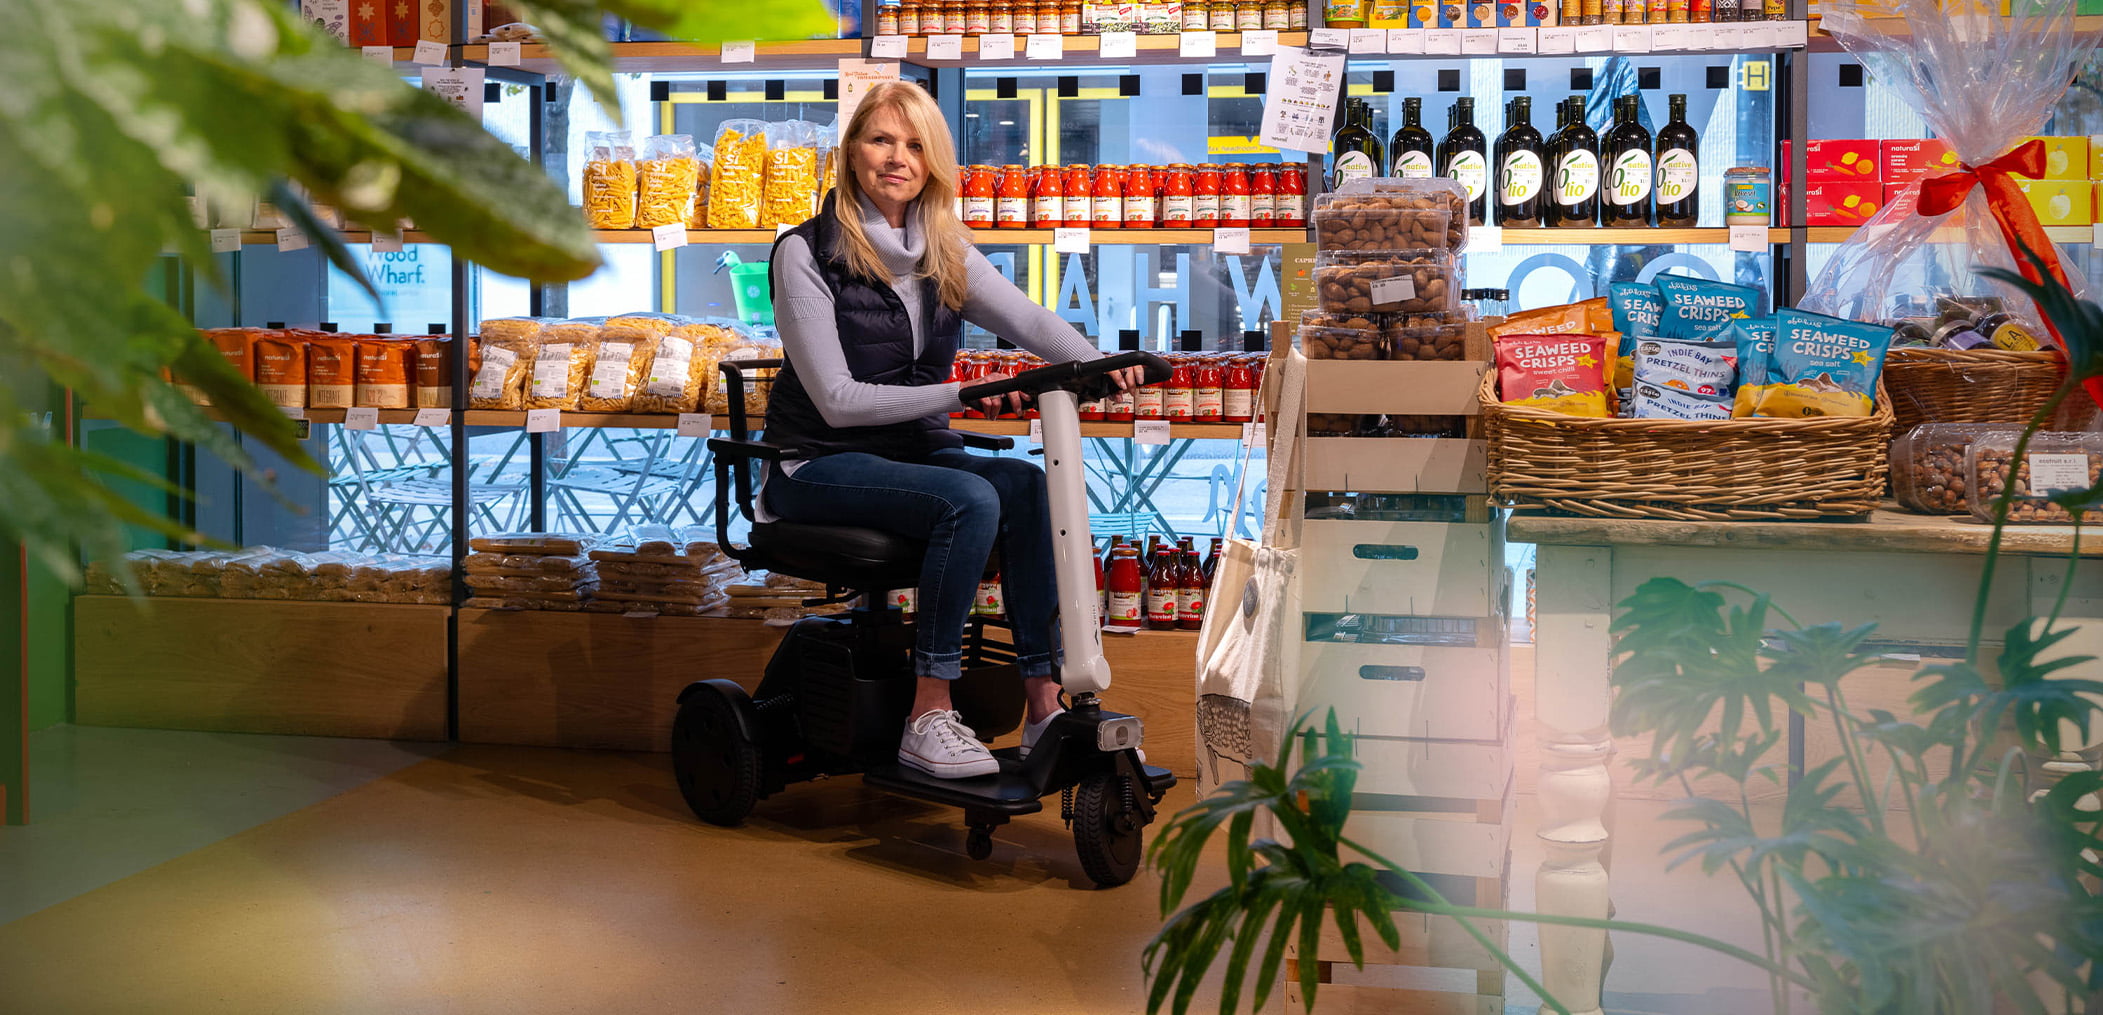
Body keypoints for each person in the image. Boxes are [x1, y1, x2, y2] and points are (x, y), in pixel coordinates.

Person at [762, 81, 1143, 780]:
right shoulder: (805, 253)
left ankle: (1042, 702)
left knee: (1025, 485)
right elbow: (839, 401)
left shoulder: (943, 248)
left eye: (914, 145)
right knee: (967, 498)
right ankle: (927, 712)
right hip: (816, 463)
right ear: (851, 153)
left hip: (912, 455)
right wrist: (962, 390)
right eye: (880, 140)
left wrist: (1104, 362)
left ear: (934, 161)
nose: (896, 158)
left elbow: (1028, 321)